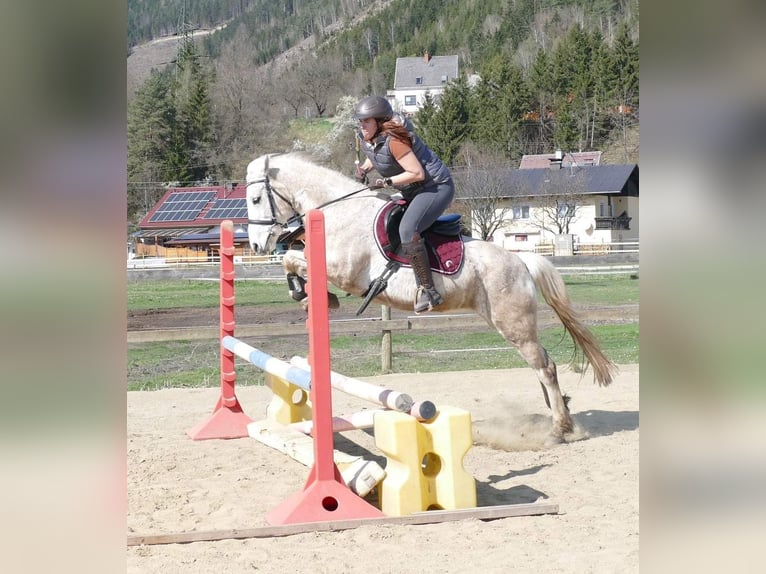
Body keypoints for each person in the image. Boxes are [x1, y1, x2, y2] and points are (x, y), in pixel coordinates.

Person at [353, 95, 455, 314]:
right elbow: (378, 156)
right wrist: (365, 169)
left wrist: (387, 182)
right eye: (360, 122)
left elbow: (417, 173)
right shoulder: (369, 139)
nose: (362, 126)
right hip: (413, 190)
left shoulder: (395, 140)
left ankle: (428, 291)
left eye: (366, 122)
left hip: (435, 187)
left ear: (379, 122)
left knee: (408, 229)